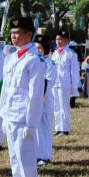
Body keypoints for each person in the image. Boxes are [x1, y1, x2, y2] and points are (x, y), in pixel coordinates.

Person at [0, 17, 45, 177]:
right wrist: (2, 115)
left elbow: (35, 95)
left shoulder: (35, 60)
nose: (13, 36)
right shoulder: (10, 57)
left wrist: (31, 123)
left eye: (17, 33)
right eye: (12, 33)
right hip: (10, 114)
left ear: (29, 34)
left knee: (26, 157)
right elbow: (6, 89)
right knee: (14, 158)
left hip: (23, 116)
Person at [52, 30, 80, 136]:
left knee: (64, 107)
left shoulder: (71, 54)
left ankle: (65, 128)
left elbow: (74, 71)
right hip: (55, 83)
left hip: (65, 83)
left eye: (61, 39)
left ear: (66, 41)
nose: (58, 41)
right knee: (56, 106)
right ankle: (58, 128)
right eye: (57, 39)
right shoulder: (54, 53)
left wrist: (74, 87)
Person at [34, 35, 56, 166]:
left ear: (46, 49)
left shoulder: (50, 63)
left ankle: (45, 156)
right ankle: (37, 154)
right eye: (36, 48)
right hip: (36, 101)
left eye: (41, 48)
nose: (38, 50)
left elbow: (48, 82)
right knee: (36, 129)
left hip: (45, 100)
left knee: (45, 129)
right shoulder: (35, 61)